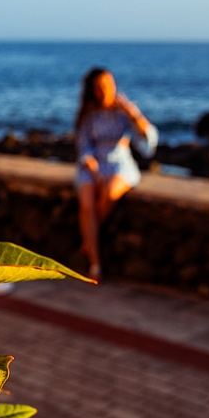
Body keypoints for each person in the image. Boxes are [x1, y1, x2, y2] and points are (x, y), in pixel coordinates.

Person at [75, 67, 158, 280]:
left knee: (109, 194)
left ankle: (88, 240)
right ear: (93, 90)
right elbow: (84, 147)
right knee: (87, 203)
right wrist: (93, 170)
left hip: (120, 164)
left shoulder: (124, 112)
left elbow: (148, 144)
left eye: (108, 86)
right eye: (99, 87)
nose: (105, 91)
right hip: (93, 164)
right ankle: (95, 264)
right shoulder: (88, 114)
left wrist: (133, 114)